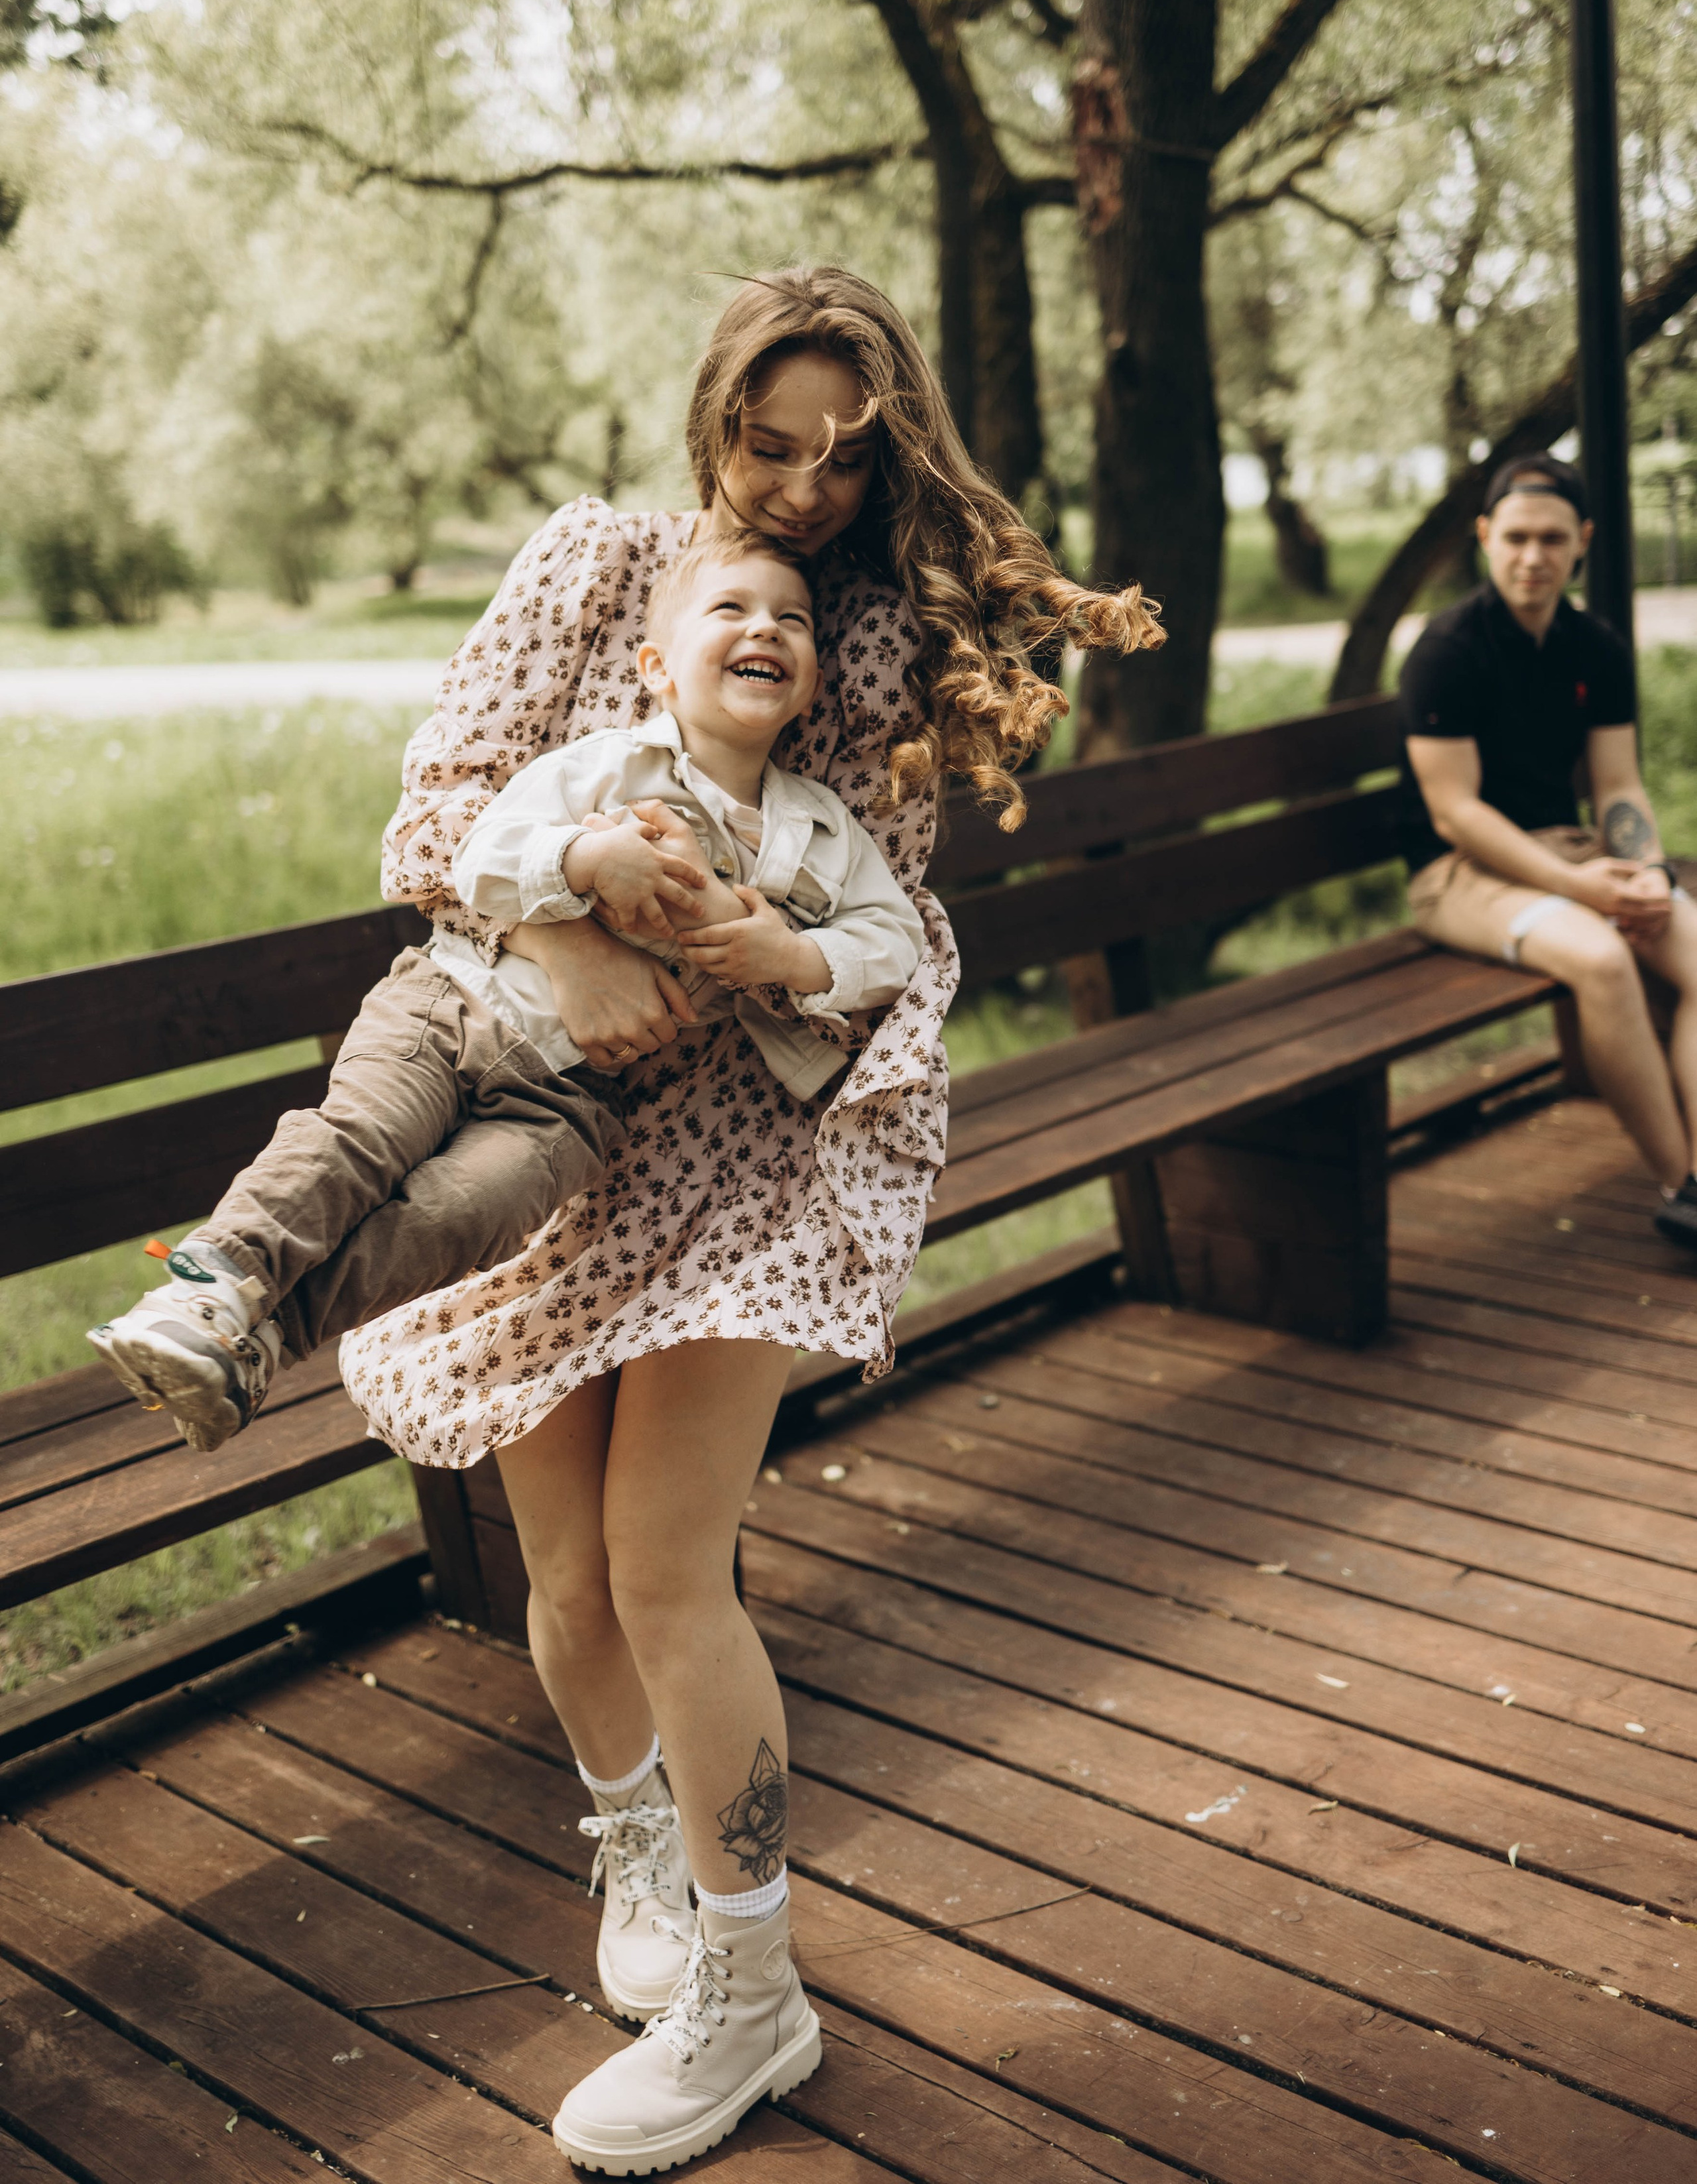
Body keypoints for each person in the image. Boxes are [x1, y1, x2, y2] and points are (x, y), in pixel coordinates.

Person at [336, 265, 1165, 2176]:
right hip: (545, 1114)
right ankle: (637, 1836)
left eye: (843, 463)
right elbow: (436, 807)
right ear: (709, 412)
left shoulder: (867, 640)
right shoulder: (590, 567)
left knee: (662, 1566)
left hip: (761, 1149)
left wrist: (751, 954)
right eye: (767, 444)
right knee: (560, 1578)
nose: (799, 489)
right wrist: (563, 927)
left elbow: (879, 925)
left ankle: (752, 1990)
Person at [86, 530, 922, 1456]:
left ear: (806, 684)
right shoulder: (604, 767)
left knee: (466, 1215)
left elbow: (897, 940)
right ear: (659, 668)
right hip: (452, 1008)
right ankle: (215, 1281)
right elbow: (482, 857)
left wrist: (794, 956)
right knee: (359, 1138)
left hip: (574, 1103)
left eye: (791, 620)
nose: (765, 627)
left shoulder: (822, 830)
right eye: (732, 609)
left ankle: (260, 1338)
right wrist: (584, 855)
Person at [1399, 450, 1697, 1249]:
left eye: (1553, 540)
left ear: (1583, 542)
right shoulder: (1447, 651)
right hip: (1457, 874)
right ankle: (1681, 1189)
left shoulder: (1594, 648)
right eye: (1518, 537)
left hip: (1565, 852)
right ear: (1486, 536)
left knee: (1694, 944)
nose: (1534, 557)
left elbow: (1619, 785)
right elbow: (1455, 814)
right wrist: (1584, 888)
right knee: (1600, 959)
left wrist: (1645, 872)